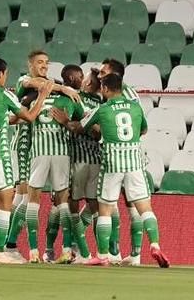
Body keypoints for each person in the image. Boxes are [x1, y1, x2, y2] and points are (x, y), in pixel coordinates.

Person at [54, 73, 170, 268]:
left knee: (105, 210)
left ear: (105, 89)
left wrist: (66, 122)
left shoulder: (102, 109)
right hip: (134, 163)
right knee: (145, 208)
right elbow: (143, 130)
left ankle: (103, 255)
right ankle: (155, 246)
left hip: (112, 164)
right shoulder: (135, 107)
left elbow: (79, 127)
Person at [0, 57, 52, 264]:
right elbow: (31, 117)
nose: (5, 78)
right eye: (5, 75)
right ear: (0, 74)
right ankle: (0, 253)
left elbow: (4, 119)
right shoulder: (3, 94)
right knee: (6, 203)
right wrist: (42, 97)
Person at [5, 51, 80, 256]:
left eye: (46, 63)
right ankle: (8, 245)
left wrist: (60, 88)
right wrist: (63, 87)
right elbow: (36, 85)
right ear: (30, 65)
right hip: (23, 145)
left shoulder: (53, 86)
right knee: (22, 198)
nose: (44, 66)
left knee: (25, 199)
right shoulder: (24, 80)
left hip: (39, 147)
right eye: (39, 63)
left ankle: (11, 246)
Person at [25, 67, 83, 263]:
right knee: (63, 202)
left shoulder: (34, 100)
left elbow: (23, 113)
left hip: (39, 153)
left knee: (33, 201)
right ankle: (67, 249)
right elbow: (80, 122)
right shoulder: (70, 99)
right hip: (61, 153)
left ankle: (33, 251)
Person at [98, 58, 146, 265]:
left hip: (122, 155)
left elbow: (138, 127)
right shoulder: (127, 95)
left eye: (103, 72)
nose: (99, 76)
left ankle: (131, 254)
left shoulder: (125, 95)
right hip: (125, 155)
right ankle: (120, 252)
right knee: (122, 203)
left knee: (124, 203)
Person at [60, 65, 101, 264]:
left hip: (79, 159)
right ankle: (83, 250)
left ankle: (81, 252)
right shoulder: (101, 101)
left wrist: (68, 122)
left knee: (75, 204)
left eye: (86, 77)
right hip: (95, 158)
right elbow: (96, 131)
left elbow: (95, 132)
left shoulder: (77, 97)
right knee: (94, 205)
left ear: (89, 82)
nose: (85, 79)